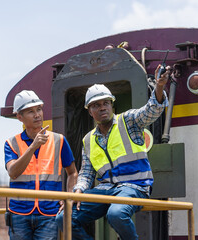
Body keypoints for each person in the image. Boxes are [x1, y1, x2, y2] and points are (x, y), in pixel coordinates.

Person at [56, 65, 170, 240]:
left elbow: (151, 111)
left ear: (111, 105)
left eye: (105, 103)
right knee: (64, 217)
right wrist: (77, 191)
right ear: (89, 111)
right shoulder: (88, 140)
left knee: (116, 214)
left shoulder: (129, 121)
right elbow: (86, 173)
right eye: (96, 105)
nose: (102, 108)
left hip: (135, 185)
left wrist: (159, 86)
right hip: (105, 189)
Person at [4, 90, 78, 240]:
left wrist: (69, 197)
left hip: (49, 213)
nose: (37, 114)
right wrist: (33, 147)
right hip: (19, 214)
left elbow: (72, 173)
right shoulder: (11, 143)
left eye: (39, 109)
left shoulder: (59, 140)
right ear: (19, 117)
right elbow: (13, 172)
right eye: (31, 111)